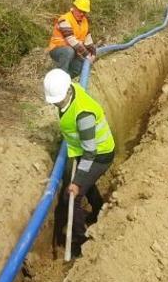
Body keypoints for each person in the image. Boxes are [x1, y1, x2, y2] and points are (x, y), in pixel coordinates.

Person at [43, 68, 115, 258]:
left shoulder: (83, 116)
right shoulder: (70, 91)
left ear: (67, 91)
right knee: (85, 185)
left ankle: (80, 241)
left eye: (57, 99)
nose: (56, 103)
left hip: (99, 155)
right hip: (85, 150)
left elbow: (90, 153)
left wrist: (76, 182)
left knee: (71, 197)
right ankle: (98, 209)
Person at [47, 0, 97, 77]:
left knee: (79, 67)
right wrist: (87, 55)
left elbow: (88, 39)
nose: (82, 14)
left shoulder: (84, 21)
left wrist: (93, 53)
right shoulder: (65, 19)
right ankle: (59, 78)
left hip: (74, 50)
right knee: (69, 51)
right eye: (80, 10)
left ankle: (67, 79)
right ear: (74, 8)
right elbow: (71, 40)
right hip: (57, 49)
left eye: (84, 12)